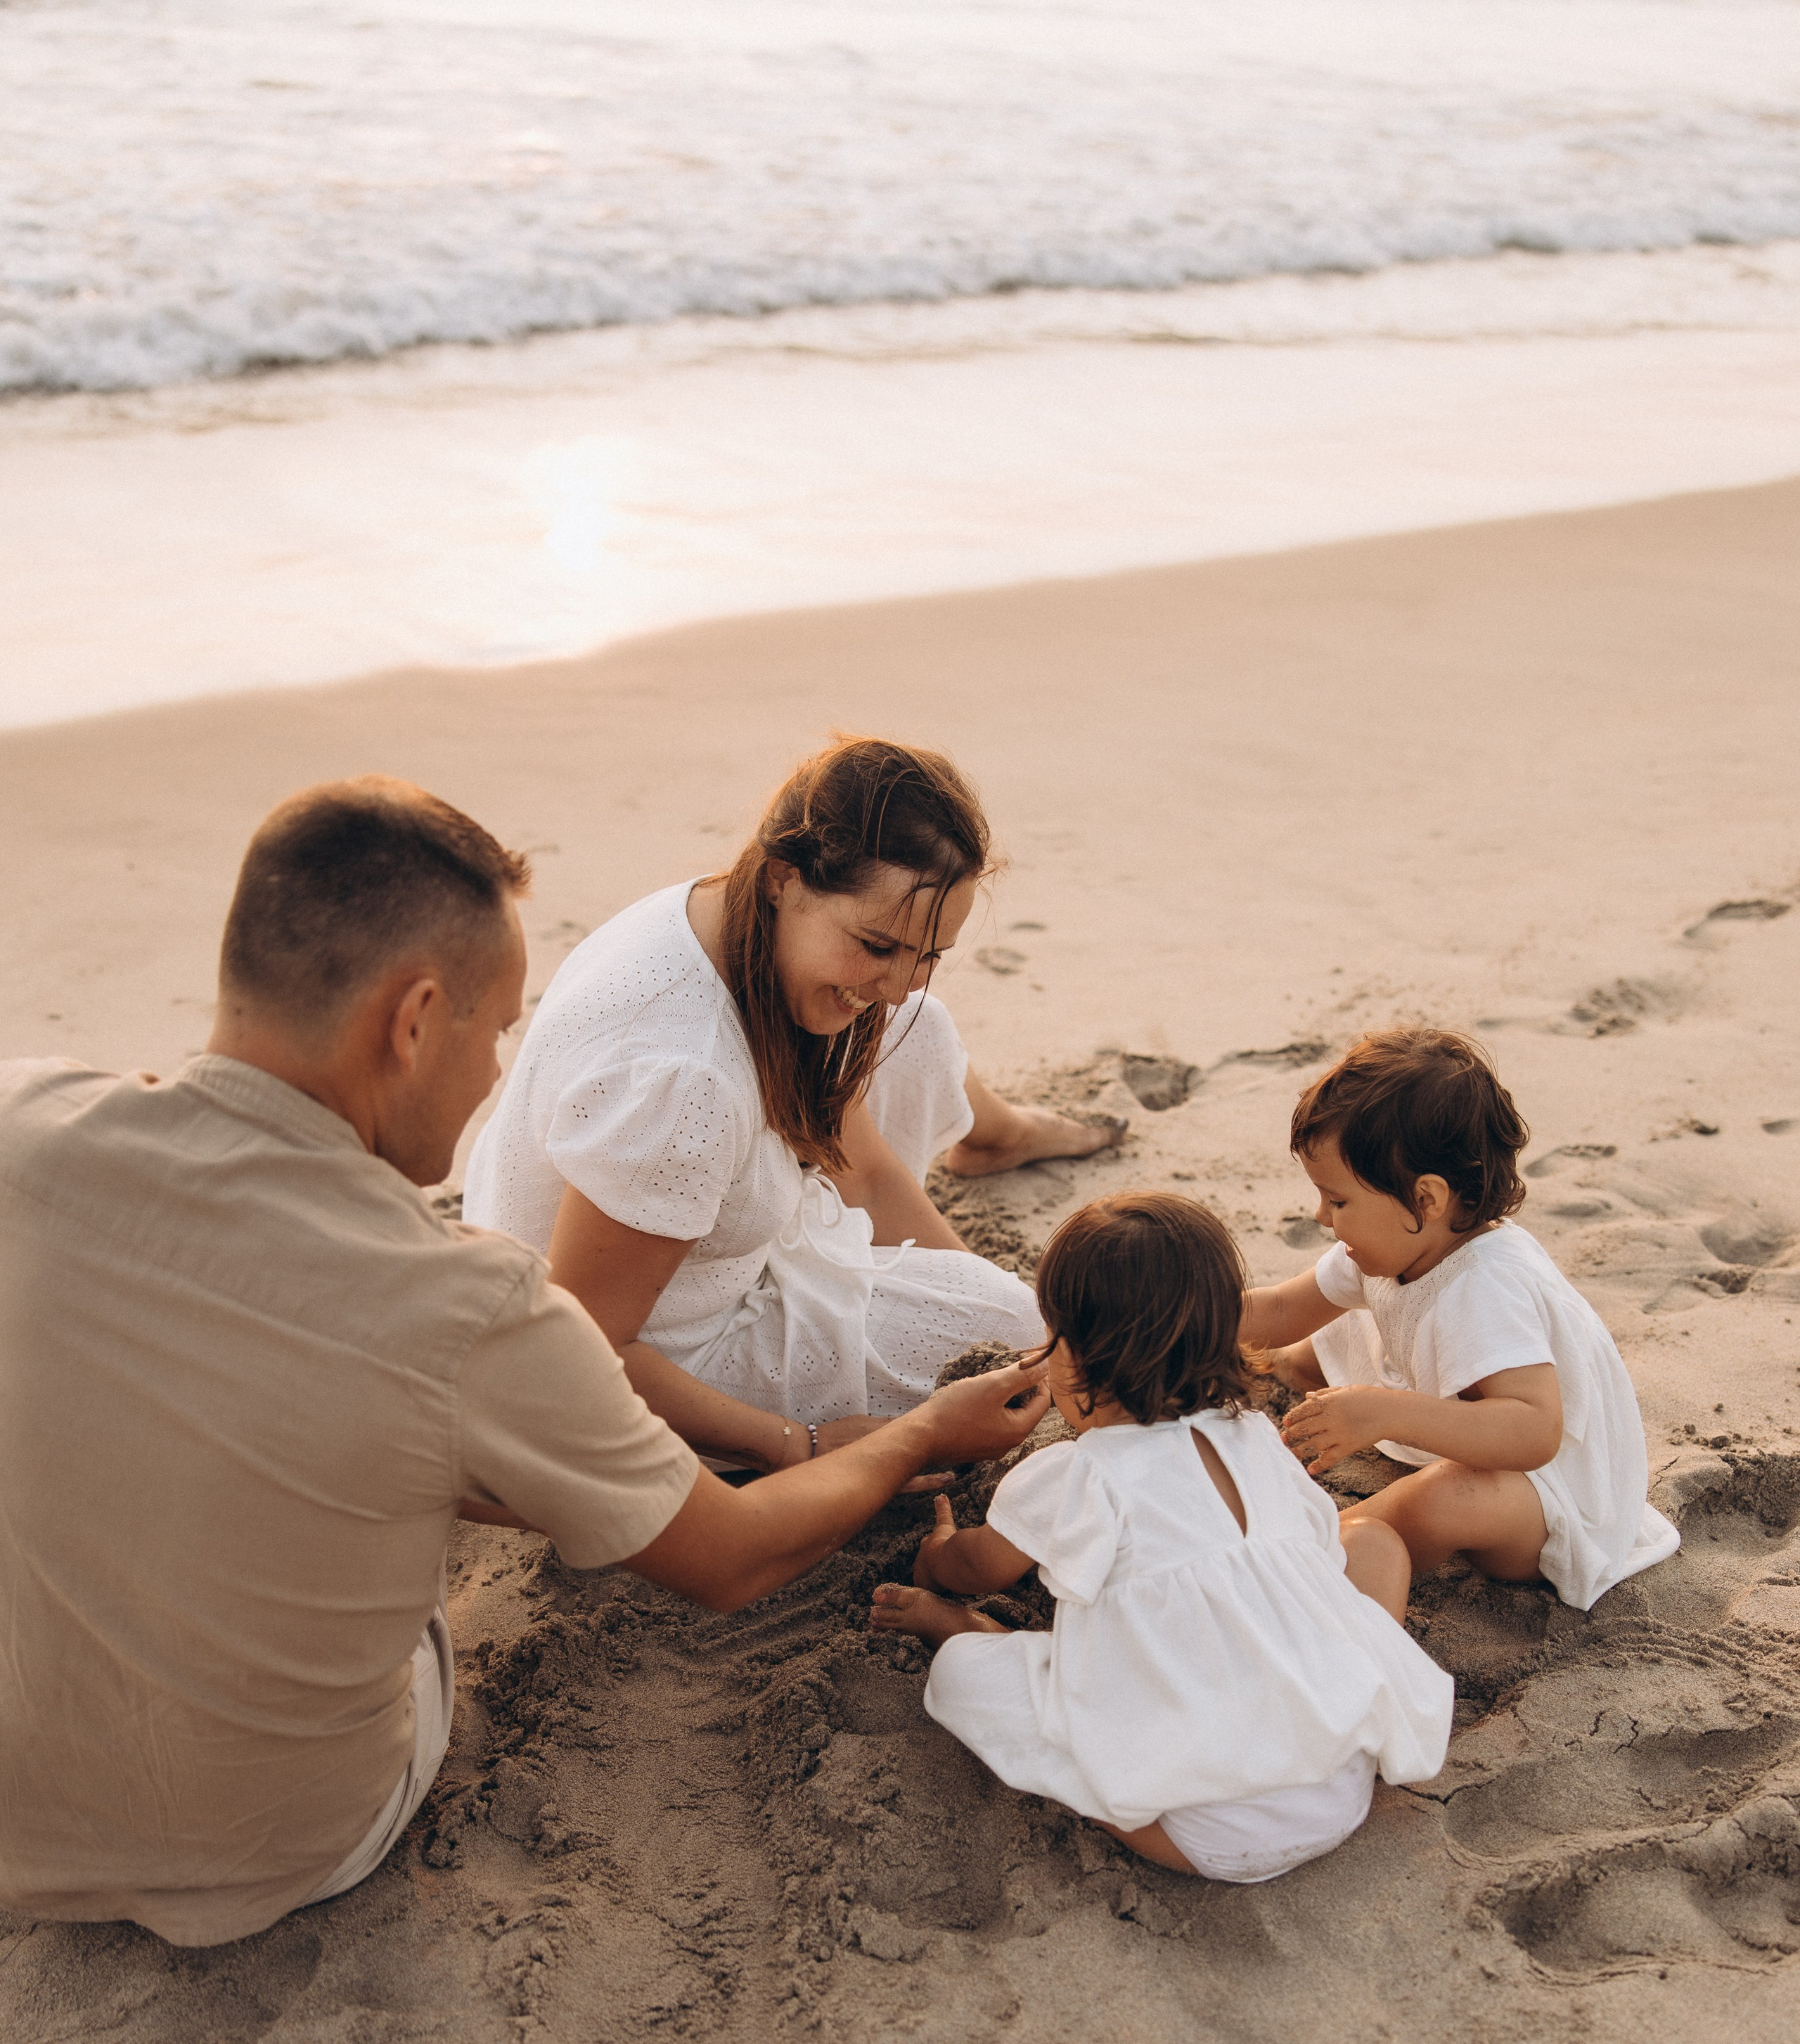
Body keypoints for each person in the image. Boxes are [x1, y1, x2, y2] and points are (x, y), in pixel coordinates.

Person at [0, 778, 1048, 1948]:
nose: (506, 1074)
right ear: (412, 1022)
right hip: (283, 1847)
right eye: (500, 1029)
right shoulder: (465, 1305)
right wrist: (916, 1433)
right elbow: (729, 1558)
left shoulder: (23, 1120)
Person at [461, 736, 1121, 1477]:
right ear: (784, 880)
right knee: (1025, 1336)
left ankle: (993, 1140)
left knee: (917, 1033)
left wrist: (970, 1293)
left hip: (666, 1237)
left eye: (929, 955)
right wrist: (796, 1442)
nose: (903, 980)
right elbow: (577, 1349)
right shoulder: (682, 1078)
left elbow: (864, 1172)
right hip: (639, 1352)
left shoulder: (727, 914)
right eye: (878, 945)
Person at [871, 1193, 1452, 1884]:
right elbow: (1313, 1556)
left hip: (1201, 1831)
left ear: (1077, 1361)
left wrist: (937, 1556)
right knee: (1361, 1554)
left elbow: (978, 1566)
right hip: (1339, 1786)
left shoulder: (1079, 1474)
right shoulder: (1254, 1440)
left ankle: (961, 1633)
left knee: (970, 1679)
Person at [1243, 1029, 1679, 1611]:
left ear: (1426, 1199)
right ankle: (1310, 1385)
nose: (1322, 1216)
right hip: (1469, 1424)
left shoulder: (1486, 1286)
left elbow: (1533, 1431)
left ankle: (1305, 1546)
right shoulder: (1399, 1244)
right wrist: (1164, 1320)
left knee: (1447, 1498)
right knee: (1317, 1337)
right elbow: (1279, 1309)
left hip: (1548, 1499)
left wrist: (1380, 1411)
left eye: (1339, 1201)